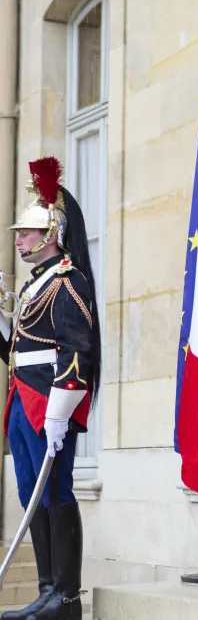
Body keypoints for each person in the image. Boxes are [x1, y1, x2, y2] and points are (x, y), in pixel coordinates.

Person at [0, 157, 100, 620]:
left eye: (26, 232)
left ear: (51, 234)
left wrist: (61, 409)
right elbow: (18, 349)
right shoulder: (35, 285)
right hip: (24, 397)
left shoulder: (68, 281)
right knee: (31, 493)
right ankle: (46, 589)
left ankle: (66, 595)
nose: (18, 238)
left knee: (56, 491)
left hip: (48, 402)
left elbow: (77, 350)